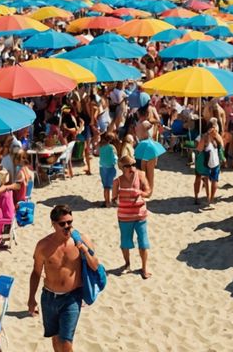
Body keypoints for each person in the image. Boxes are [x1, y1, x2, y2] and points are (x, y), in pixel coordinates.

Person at [28, 205, 100, 352]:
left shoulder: (82, 239)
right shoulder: (43, 246)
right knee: (55, 339)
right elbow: (36, 273)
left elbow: (95, 266)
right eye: (63, 224)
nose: (67, 226)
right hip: (49, 298)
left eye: (70, 222)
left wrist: (83, 248)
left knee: (66, 343)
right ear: (53, 224)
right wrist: (31, 298)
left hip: (72, 298)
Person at [112, 155, 152, 279]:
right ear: (122, 168)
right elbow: (113, 199)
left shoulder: (140, 175)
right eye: (128, 165)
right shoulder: (117, 181)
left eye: (134, 164)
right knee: (125, 242)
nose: (132, 167)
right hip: (124, 216)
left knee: (143, 242)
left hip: (140, 215)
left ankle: (144, 268)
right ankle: (127, 264)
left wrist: (140, 192)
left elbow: (148, 191)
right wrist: (117, 201)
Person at [195, 121, 224, 207]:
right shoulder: (215, 136)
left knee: (207, 179)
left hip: (206, 161)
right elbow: (222, 147)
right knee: (212, 180)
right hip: (214, 161)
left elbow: (199, 149)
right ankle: (210, 199)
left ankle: (208, 198)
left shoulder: (206, 136)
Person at [97, 132, 118, 208]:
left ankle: (106, 200)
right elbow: (114, 157)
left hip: (102, 168)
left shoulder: (101, 146)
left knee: (105, 186)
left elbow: (97, 153)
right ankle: (109, 202)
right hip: (110, 167)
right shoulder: (111, 147)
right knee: (110, 186)